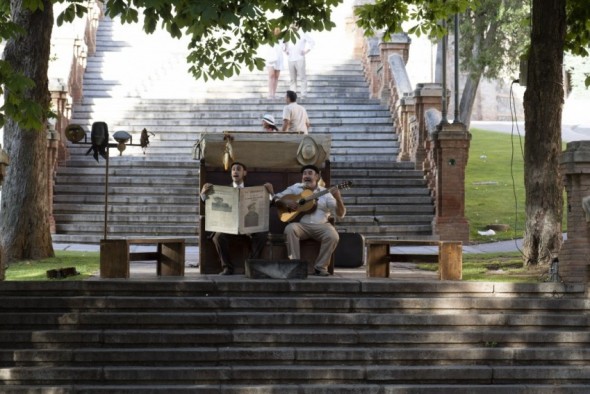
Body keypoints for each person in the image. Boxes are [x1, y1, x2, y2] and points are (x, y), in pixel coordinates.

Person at [270, 164, 346, 276]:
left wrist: (338, 199)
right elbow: (276, 197)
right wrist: (286, 202)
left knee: (333, 236)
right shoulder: (295, 188)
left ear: (317, 177)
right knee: (290, 229)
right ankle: (295, 265)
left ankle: (320, 267)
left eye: (310, 173)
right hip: (302, 226)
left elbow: (340, 215)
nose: (306, 176)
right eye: (304, 174)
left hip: (322, 225)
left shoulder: (326, 193)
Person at [200, 162, 273, 275]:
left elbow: (268, 205)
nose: (235, 171)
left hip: (249, 225)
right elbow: (211, 206)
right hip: (229, 226)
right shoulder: (224, 190)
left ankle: (250, 266)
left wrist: (271, 193)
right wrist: (204, 195)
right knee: (218, 237)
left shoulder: (253, 190)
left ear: (244, 173)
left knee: (262, 234)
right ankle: (227, 268)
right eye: (233, 169)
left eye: (238, 169)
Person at [284, 25, 315, 98]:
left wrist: (306, 51)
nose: (294, 25)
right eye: (293, 24)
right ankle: (292, 96)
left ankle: (303, 94)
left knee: (302, 77)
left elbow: (312, 42)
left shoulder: (303, 33)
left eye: (296, 24)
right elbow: (283, 43)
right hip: (290, 59)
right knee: (292, 79)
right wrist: (285, 50)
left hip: (300, 59)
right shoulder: (288, 34)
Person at [265, 27, 285, 99]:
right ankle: (270, 94)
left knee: (276, 77)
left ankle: (274, 94)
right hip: (271, 59)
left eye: (278, 30)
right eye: (276, 30)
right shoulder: (270, 39)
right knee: (271, 76)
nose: (277, 31)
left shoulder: (282, 40)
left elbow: (284, 48)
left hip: (279, 59)